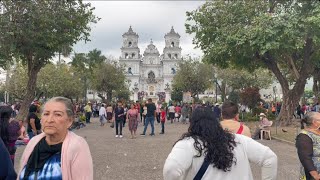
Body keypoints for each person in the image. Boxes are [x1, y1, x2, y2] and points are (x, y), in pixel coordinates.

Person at [163, 107, 277, 180]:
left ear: (192, 124)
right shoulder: (239, 140)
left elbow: (171, 169)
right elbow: (270, 158)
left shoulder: (188, 144)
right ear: (216, 122)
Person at [18, 97, 93, 180]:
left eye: (57, 114)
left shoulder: (77, 146)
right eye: (46, 114)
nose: (50, 120)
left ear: (69, 121)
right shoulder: (34, 142)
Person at [296, 112, 320, 180]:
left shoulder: (318, 131)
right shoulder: (304, 136)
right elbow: (305, 158)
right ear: (314, 122)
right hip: (313, 174)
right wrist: (315, 175)